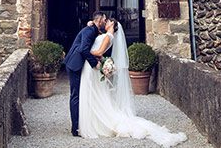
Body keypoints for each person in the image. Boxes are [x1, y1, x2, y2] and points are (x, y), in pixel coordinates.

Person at [77, 17, 187, 145]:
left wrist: (86, 52)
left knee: (96, 93)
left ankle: (98, 122)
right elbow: (98, 40)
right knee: (98, 94)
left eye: (108, 21)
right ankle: (95, 120)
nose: (105, 21)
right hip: (93, 66)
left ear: (112, 24)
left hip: (92, 66)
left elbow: (100, 51)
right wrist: (90, 24)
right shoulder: (107, 35)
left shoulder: (108, 36)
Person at [64, 11, 108, 136]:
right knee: (75, 95)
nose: (105, 22)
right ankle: (75, 128)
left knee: (79, 94)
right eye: (104, 20)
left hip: (77, 63)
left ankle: (79, 123)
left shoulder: (92, 29)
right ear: (99, 21)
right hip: (74, 64)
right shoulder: (89, 31)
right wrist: (95, 63)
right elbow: (83, 49)